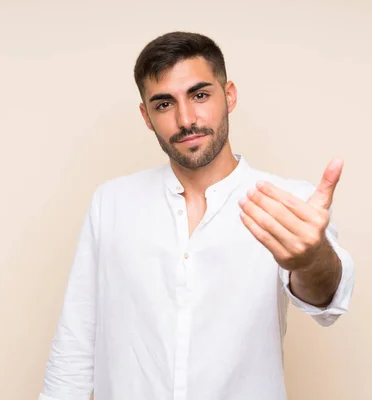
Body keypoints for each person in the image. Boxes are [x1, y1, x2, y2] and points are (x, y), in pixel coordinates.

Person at [38, 31, 355, 400]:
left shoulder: (289, 203)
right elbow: (76, 341)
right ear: (146, 116)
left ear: (229, 95)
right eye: (163, 104)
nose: (185, 119)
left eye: (200, 95)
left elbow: (326, 300)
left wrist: (311, 259)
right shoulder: (111, 203)